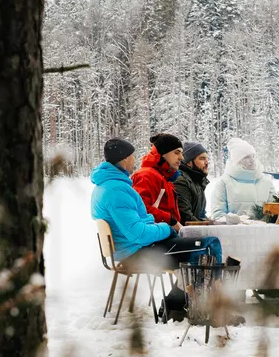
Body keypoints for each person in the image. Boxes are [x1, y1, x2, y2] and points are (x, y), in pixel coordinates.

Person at [91, 136, 222, 319]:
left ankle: (179, 306)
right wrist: (167, 227)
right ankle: (204, 311)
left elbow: (139, 220)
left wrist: (158, 224)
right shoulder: (117, 190)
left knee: (198, 246)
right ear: (123, 159)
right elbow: (138, 233)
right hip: (137, 253)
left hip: (133, 249)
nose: (134, 160)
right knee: (207, 245)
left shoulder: (111, 186)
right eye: (132, 156)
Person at [210, 137, 275, 219]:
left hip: (263, 230)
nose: (252, 160)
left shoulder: (266, 182)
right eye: (247, 157)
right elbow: (218, 214)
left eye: (253, 156)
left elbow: (275, 211)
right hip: (234, 231)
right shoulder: (224, 182)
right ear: (237, 161)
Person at [174, 141, 212, 224]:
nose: (206, 162)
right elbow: (185, 217)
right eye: (202, 158)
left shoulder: (197, 181)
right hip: (184, 233)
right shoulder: (181, 181)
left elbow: (200, 215)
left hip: (193, 230)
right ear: (189, 162)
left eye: (207, 158)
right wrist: (207, 227)